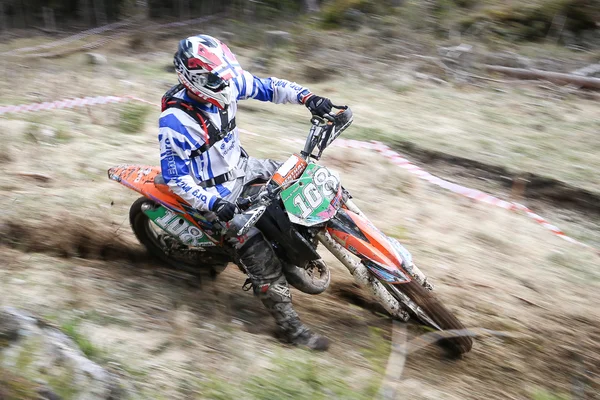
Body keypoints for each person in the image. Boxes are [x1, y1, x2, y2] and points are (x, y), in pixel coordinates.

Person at [158, 34, 336, 351]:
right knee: (262, 261)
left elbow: (268, 87)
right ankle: (291, 330)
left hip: (245, 167)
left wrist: (307, 97)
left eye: (225, 77)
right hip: (213, 194)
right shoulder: (176, 121)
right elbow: (175, 178)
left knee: (308, 174)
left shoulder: (225, 81)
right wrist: (213, 203)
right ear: (193, 78)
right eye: (215, 80)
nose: (227, 87)